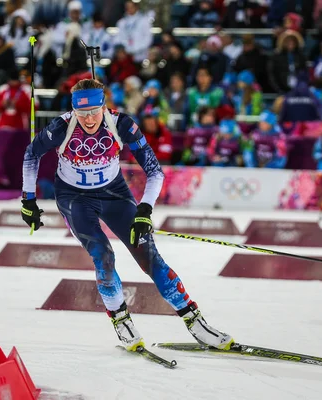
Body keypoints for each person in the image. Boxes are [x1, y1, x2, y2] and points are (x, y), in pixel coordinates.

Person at [20, 78, 234, 352]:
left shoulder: (121, 124)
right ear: (73, 111)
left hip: (114, 194)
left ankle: (196, 323)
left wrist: (145, 210)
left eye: (94, 112)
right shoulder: (61, 127)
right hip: (74, 198)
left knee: (149, 256)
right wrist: (28, 200)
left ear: (104, 106)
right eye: (81, 114)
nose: (88, 120)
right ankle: (121, 320)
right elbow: (30, 154)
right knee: (103, 255)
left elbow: (155, 171)